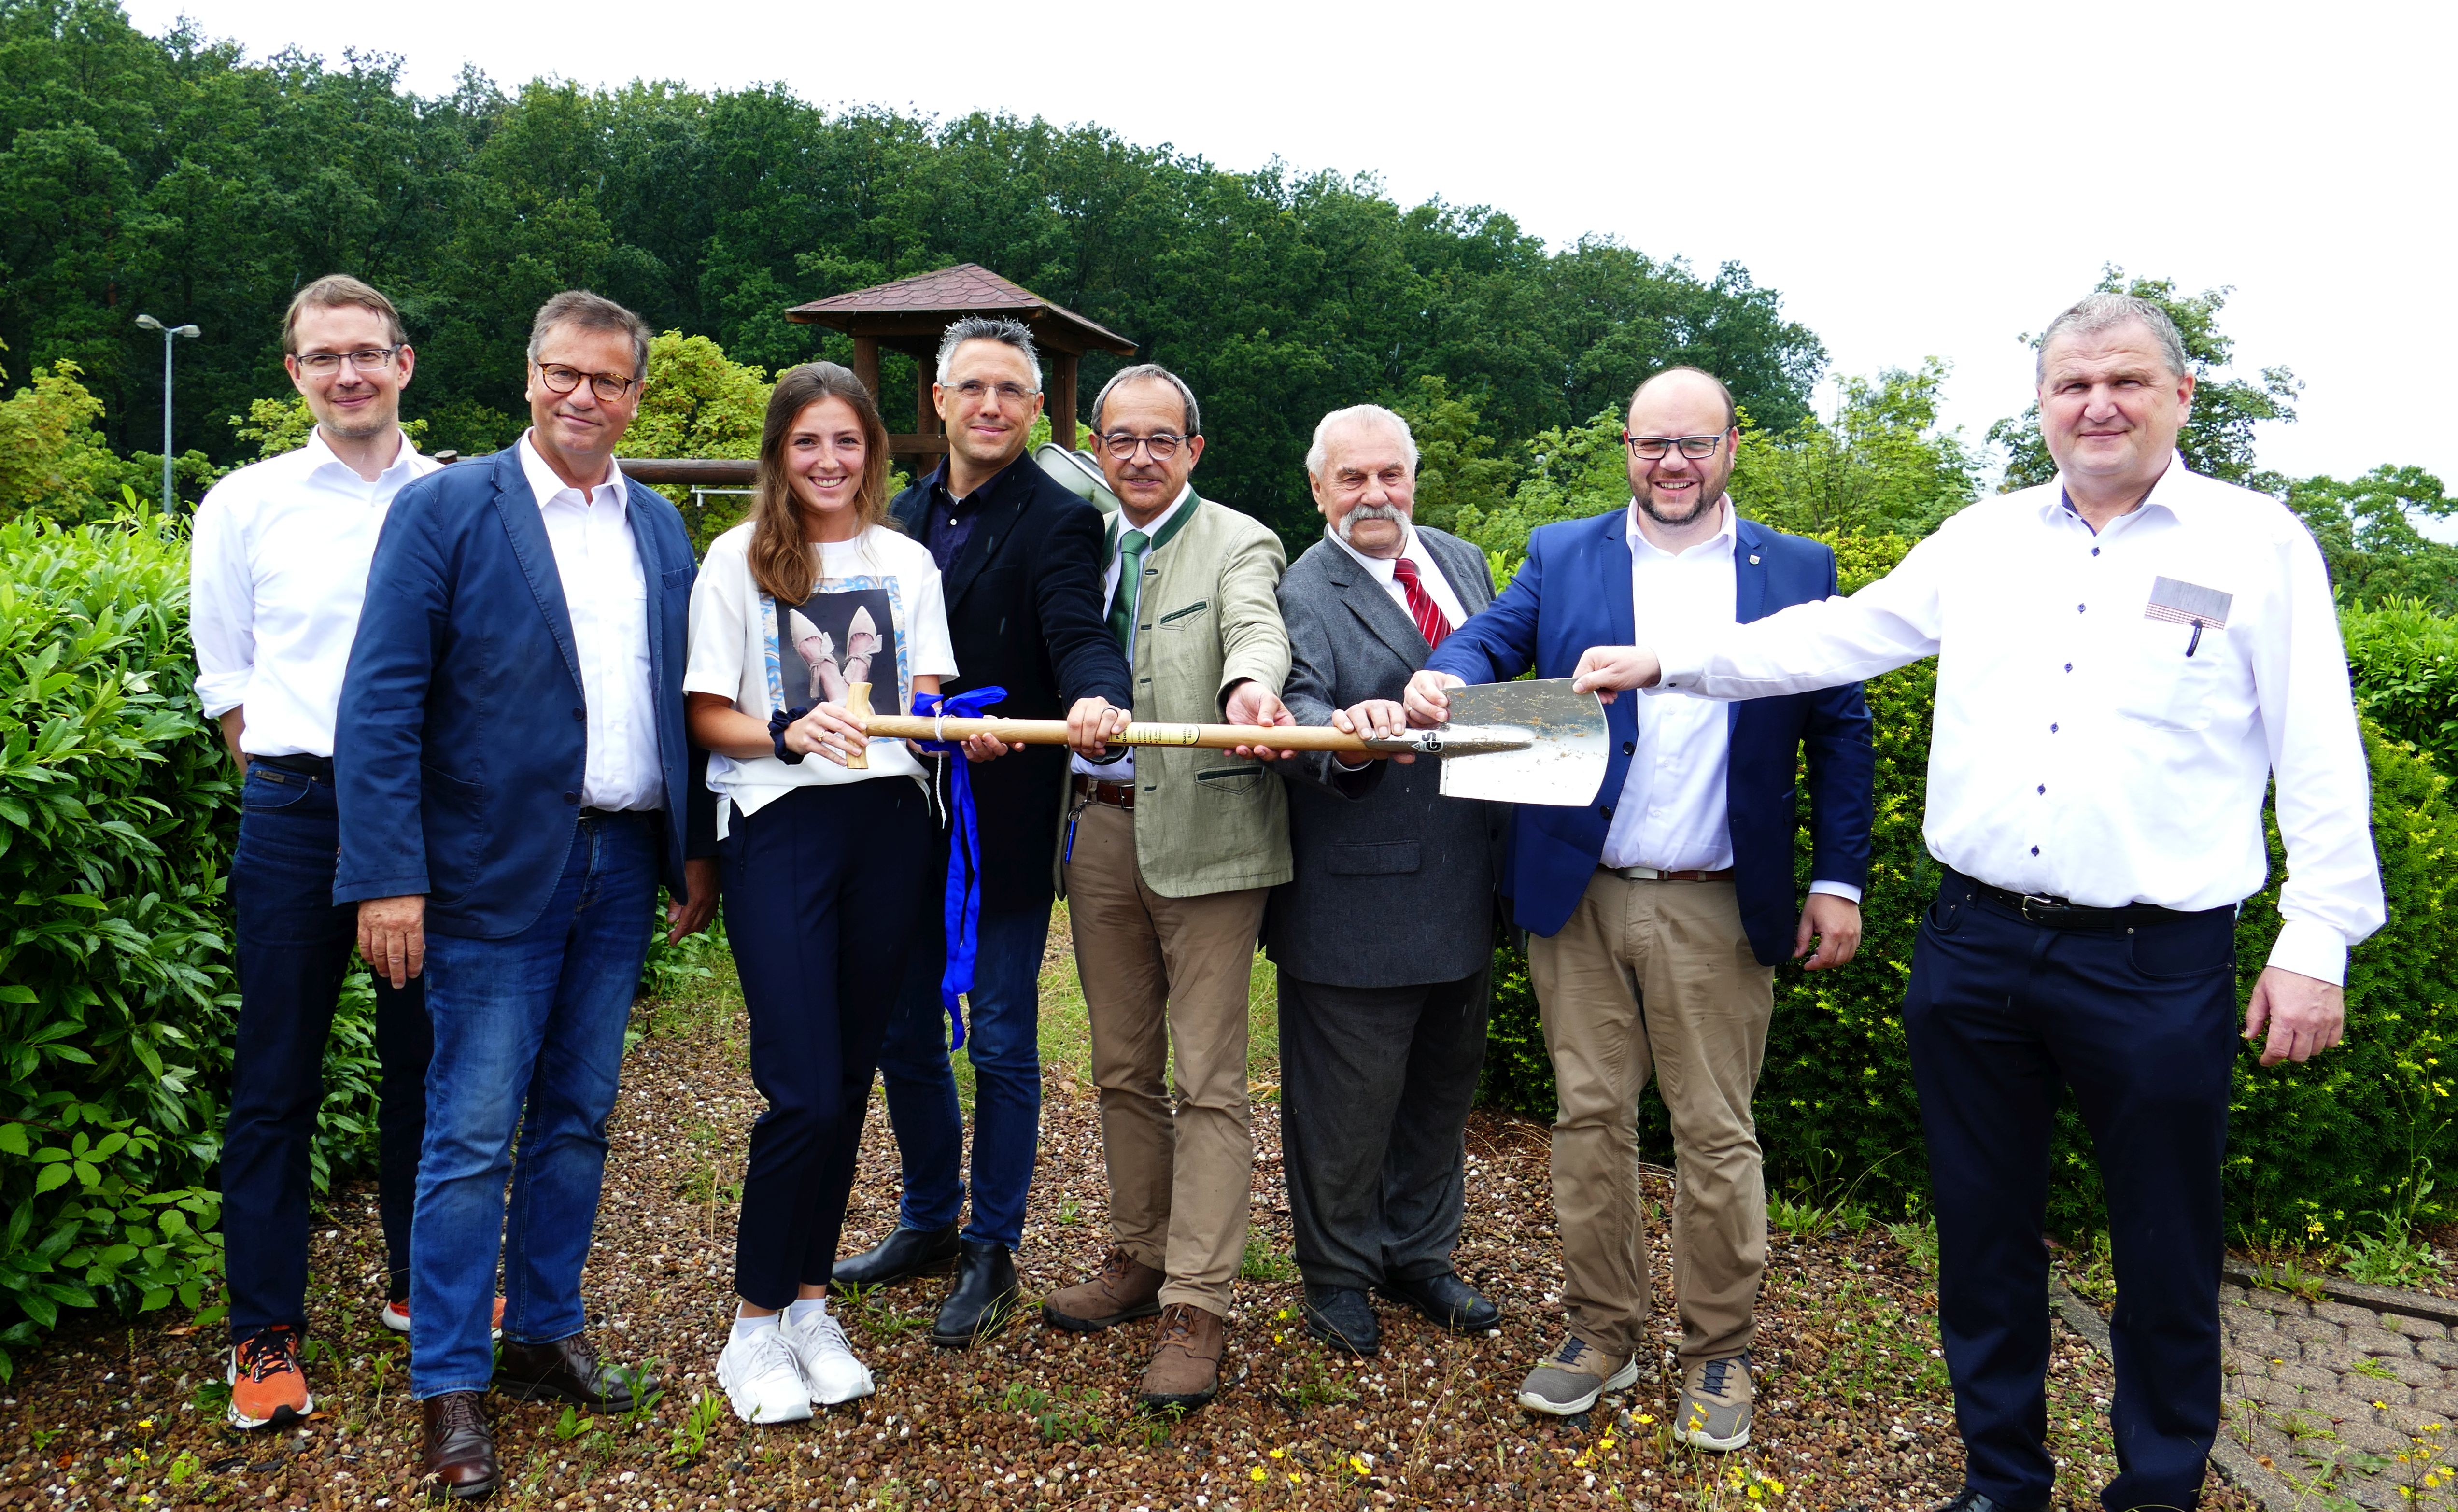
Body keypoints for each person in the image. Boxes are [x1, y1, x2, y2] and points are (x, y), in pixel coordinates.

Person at [1482, 294, 2385, 1512]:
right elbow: (1840, 638)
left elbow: (2319, 752)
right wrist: (1675, 661)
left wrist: (2316, 938)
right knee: (1983, 1236)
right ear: (2041, 407)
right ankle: (1999, 1483)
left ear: (2181, 396)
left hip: (2156, 958)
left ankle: (2158, 1488)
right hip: (1977, 946)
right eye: (2071, 386)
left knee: (2166, 1246)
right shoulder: (1984, 537)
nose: (2097, 406)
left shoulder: (2255, 546)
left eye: (2124, 382)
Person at [1409, 366, 1875, 1442]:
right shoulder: (1564, 550)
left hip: (1719, 900)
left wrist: (1837, 879)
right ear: (1625, 447)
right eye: (1651, 443)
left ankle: (1717, 1353)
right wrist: (1444, 670)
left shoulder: (1795, 568)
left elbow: (1839, 728)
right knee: (1588, 1122)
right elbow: (1493, 641)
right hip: (1580, 892)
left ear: (1730, 449)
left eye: (1693, 444)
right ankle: (1601, 1333)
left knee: (1715, 1135)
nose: (1671, 463)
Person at [337, 290, 718, 1498]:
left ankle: (543, 1327)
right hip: (485, 875)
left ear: (636, 394)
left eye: (609, 380)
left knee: (578, 1117)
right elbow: (380, 705)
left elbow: (682, 699)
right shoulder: (448, 510)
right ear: (529, 375)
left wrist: (691, 849)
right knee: (466, 1134)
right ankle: (449, 1380)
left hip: (619, 862)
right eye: (565, 374)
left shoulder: (660, 528)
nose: (585, 397)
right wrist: (388, 877)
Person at [835, 316, 1131, 1350]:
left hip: (995, 826)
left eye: (1012, 390)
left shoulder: (1059, 521)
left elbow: (1077, 633)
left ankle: (992, 1243)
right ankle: (926, 1216)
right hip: (891, 816)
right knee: (899, 1033)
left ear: (1035, 409)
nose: (992, 406)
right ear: (940, 401)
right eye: (974, 388)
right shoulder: (893, 517)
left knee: (1001, 1038)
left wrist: (1096, 699)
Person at [189, 275, 448, 1429]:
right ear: (294, 373)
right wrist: (291, 779)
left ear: (404, 364)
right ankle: (264, 1335)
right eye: (323, 356)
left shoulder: (456, 500)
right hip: (297, 807)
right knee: (276, 1079)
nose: (349, 373)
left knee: (425, 1067)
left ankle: (415, 1289)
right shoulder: (243, 504)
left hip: (431, 814)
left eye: (368, 353)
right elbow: (229, 681)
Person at [683, 361, 959, 1423]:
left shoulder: (906, 561)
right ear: (778, 454)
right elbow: (709, 712)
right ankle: (752, 1327)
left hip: (888, 828)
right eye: (808, 443)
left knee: (848, 1080)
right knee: (798, 1084)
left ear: (874, 451)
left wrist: (944, 720)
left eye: (847, 442)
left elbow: (922, 694)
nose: (829, 462)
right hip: (779, 827)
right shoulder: (735, 560)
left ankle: (808, 1304)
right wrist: (791, 731)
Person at [1036, 363, 1295, 1412]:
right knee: (1120, 1068)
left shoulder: (1238, 539)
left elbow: (1254, 629)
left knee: (1211, 1082)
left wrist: (1251, 688)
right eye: (1120, 439)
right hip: (1099, 832)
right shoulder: (1081, 541)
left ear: (1194, 448)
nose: (1138, 456)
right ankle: (1139, 1255)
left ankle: (1199, 1301)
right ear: (1099, 449)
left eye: (1161, 438)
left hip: (1210, 843)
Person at [1265, 405, 1504, 1358]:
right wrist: (1345, 731)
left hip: (1467, 875)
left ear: (1414, 478)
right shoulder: (1298, 589)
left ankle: (1420, 1254)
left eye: (1389, 477)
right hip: (1357, 888)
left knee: (1440, 1094)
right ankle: (1336, 1276)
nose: (1374, 497)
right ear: (1318, 489)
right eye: (1351, 480)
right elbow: (1294, 710)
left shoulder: (1463, 560)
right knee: (1342, 1109)